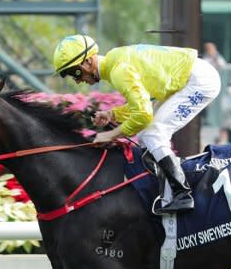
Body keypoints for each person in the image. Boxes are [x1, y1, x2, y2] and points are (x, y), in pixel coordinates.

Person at [52, 35, 221, 214]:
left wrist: (110, 135)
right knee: (144, 135)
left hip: (199, 82)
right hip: (188, 79)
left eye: (74, 73)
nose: (77, 81)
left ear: (87, 61)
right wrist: (112, 114)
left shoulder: (118, 70)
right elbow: (142, 103)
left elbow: (143, 114)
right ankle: (165, 189)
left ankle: (183, 194)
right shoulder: (115, 62)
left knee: (153, 133)